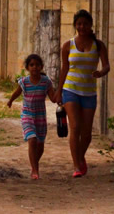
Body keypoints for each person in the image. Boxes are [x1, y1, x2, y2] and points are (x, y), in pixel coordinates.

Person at [54, 9, 110, 178]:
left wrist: (101, 72)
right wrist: (59, 91)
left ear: (90, 25)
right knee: (75, 127)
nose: (82, 26)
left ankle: (80, 156)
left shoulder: (98, 45)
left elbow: (107, 65)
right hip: (71, 90)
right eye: (79, 24)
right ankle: (76, 165)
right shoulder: (68, 45)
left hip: (89, 93)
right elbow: (64, 69)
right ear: (75, 25)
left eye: (85, 23)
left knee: (86, 133)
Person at [7, 54, 56, 179]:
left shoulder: (46, 82)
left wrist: (60, 94)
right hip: (27, 115)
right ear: (28, 68)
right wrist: (11, 100)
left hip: (40, 117)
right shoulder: (24, 81)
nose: (35, 67)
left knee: (40, 145)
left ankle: (34, 163)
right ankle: (35, 170)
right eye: (32, 65)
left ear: (41, 67)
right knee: (32, 139)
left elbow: (53, 98)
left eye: (37, 65)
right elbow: (17, 92)